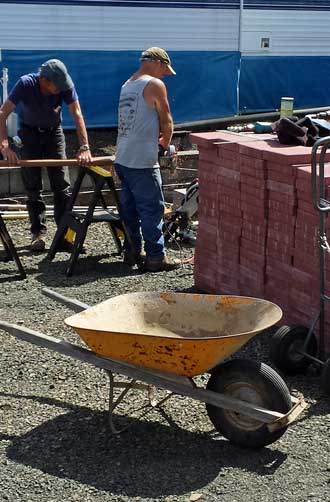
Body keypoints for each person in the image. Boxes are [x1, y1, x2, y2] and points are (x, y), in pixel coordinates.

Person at [0, 59, 92, 252]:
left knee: (62, 186)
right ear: (43, 79)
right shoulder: (26, 84)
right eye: (55, 86)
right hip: (29, 133)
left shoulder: (65, 86)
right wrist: (5, 147)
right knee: (32, 186)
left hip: (54, 133)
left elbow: (77, 113)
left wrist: (85, 146)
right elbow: (3, 113)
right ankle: (37, 234)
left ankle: (63, 236)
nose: (59, 90)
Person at [114, 47, 180, 272]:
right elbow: (167, 120)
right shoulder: (154, 85)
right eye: (164, 70)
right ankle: (155, 257)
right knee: (152, 209)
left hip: (123, 156)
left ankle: (132, 251)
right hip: (142, 159)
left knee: (130, 209)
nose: (164, 75)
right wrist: (165, 143)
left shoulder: (127, 84)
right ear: (158, 63)